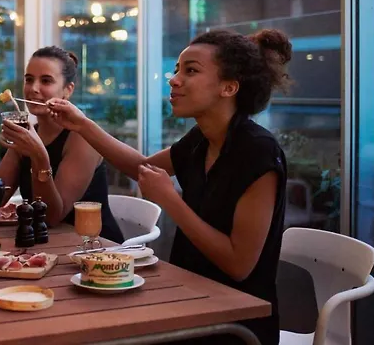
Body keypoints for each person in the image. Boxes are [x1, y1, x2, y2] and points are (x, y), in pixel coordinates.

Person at [47, 29, 292, 345]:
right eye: (177, 70)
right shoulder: (201, 139)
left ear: (229, 87)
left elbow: (239, 265)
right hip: (187, 298)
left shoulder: (258, 151)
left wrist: (170, 199)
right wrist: (82, 124)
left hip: (235, 322)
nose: (174, 80)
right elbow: (143, 169)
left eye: (191, 71)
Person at [0, 46, 124, 244]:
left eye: (46, 81)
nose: (33, 88)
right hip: (47, 245)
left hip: (95, 246)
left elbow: (51, 217)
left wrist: (38, 155)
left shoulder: (82, 138)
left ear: (68, 90)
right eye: (29, 79)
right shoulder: (28, 133)